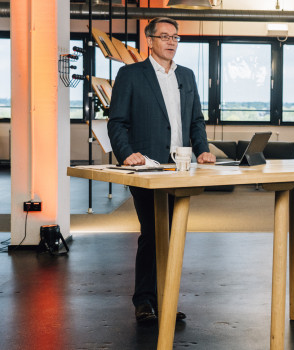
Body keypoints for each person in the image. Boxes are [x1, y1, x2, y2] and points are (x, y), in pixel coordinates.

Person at [108, 17, 216, 324]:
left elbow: (195, 120)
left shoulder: (187, 75)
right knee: (153, 232)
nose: (171, 42)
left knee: (171, 233)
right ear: (150, 41)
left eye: (176, 37)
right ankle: (145, 301)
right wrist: (127, 154)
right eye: (165, 36)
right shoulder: (130, 75)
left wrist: (203, 149)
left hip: (180, 167)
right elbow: (117, 122)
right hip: (147, 168)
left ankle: (164, 299)